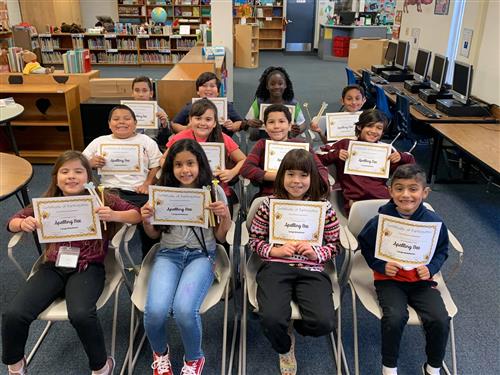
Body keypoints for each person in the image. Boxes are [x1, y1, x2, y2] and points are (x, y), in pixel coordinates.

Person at [2, 150, 141, 375]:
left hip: (88, 267)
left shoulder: (102, 197)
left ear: (88, 176)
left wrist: (114, 216)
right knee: (14, 314)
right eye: (64, 171)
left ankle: (101, 366)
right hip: (53, 266)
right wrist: (22, 223)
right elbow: (11, 221)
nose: (71, 176)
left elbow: (136, 214)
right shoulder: (47, 202)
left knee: (81, 314)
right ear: (55, 176)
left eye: (78, 171)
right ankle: (16, 366)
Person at [140, 139, 231, 375]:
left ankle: (194, 358)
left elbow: (221, 237)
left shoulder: (213, 191)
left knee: (184, 309)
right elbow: (153, 234)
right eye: (178, 165)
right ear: (170, 168)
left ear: (200, 164)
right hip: (169, 254)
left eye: (190, 163)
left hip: (201, 256)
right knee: (155, 311)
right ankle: (160, 353)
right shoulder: (162, 192)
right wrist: (147, 219)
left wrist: (225, 216)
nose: (185, 170)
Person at [248, 149, 340, 375]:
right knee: (270, 318)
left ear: (313, 178)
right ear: (281, 176)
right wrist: (275, 251)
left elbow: (335, 245)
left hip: (312, 269)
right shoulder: (269, 205)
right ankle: (284, 346)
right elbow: (254, 240)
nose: (296, 181)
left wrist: (316, 252)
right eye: (290, 174)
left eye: (303, 175)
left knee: (324, 323)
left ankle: (296, 326)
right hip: (275, 266)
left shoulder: (324, 208)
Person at [357, 164, 450, 375]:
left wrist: (432, 267)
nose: (406, 194)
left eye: (413, 189)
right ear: (390, 191)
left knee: (440, 319)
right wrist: (381, 265)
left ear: (425, 192)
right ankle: (389, 366)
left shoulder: (434, 223)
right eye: (399, 188)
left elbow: (442, 251)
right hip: (389, 281)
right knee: (395, 317)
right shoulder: (380, 221)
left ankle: (433, 366)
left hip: (421, 282)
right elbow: (365, 245)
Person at [83, 104, 162, 257]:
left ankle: (149, 257)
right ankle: (92, 257)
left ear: (135, 123)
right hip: (108, 191)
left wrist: (147, 183)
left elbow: (157, 165)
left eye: (127, 119)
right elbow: (79, 163)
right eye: (116, 119)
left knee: (149, 217)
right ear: (109, 124)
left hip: (137, 191)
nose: (121, 122)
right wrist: (91, 163)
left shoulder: (146, 141)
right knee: (92, 216)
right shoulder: (100, 141)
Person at [318, 109, 414, 215]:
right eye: (369, 126)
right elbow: (317, 158)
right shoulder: (345, 144)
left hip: (382, 199)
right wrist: (335, 154)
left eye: (379, 128)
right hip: (356, 201)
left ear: (383, 132)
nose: (373, 131)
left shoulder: (386, 150)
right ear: (360, 127)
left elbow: (411, 172)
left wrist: (402, 157)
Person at [163, 98, 246, 208]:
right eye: (198, 118)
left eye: (208, 119)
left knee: (219, 215)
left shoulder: (223, 138)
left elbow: (244, 160)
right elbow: (163, 159)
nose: (203, 123)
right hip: (184, 189)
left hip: (216, 189)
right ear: (190, 120)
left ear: (215, 123)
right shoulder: (180, 137)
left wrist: (232, 172)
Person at [240, 103, 329, 198]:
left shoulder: (301, 145)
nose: (276, 126)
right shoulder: (262, 145)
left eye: (282, 121)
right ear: (265, 127)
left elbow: (321, 170)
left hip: (302, 196)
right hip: (271, 195)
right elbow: (246, 169)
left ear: (290, 125)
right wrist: (278, 176)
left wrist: (302, 179)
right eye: (271, 122)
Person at [171, 71, 244, 135]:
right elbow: (174, 124)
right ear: (198, 91)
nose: (208, 89)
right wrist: (186, 128)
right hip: (194, 142)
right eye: (204, 86)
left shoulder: (226, 105)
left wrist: (232, 126)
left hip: (221, 140)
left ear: (218, 91)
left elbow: (240, 122)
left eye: (212, 86)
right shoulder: (191, 106)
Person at [244, 66, 306, 140]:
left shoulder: (293, 103)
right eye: (272, 84)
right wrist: (249, 122)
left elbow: (303, 124)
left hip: (286, 139)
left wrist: (298, 129)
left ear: (285, 85)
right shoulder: (259, 102)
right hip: (264, 139)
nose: (276, 87)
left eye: (280, 84)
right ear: (267, 86)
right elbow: (245, 122)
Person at [131, 76, 171, 150]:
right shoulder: (126, 111)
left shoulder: (159, 112)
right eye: (137, 90)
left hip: (152, 145)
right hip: (131, 144)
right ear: (132, 93)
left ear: (151, 93)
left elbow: (164, 141)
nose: (140, 94)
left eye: (144, 90)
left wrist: (164, 125)